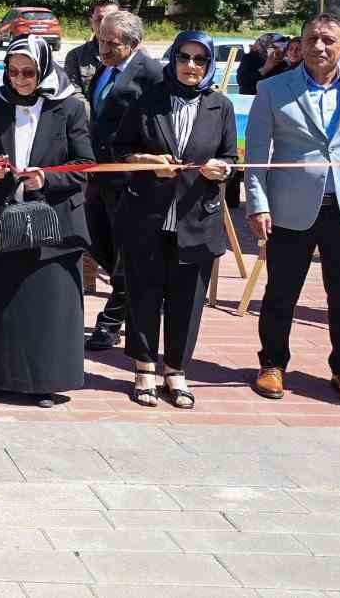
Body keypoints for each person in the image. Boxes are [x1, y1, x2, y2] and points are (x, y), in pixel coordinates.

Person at [247, 13, 340, 408]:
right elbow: (257, 154)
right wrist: (257, 204)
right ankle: (272, 364)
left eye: (329, 40)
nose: (320, 46)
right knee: (281, 293)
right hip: (290, 209)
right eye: (312, 38)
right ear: (299, 44)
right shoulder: (272, 89)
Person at [112, 31, 238, 410]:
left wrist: (222, 170)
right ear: (172, 58)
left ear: (209, 64)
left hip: (197, 219)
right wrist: (145, 162)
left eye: (200, 60)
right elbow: (119, 150)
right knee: (143, 295)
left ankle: (177, 370)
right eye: (184, 57)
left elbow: (231, 158)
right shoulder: (147, 100)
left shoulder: (221, 105)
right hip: (147, 216)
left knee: (188, 300)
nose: (191, 66)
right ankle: (144, 368)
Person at [0, 37, 93, 408]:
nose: (20, 79)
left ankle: (44, 383)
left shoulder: (68, 107)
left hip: (52, 223)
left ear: (42, 69)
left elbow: (84, 165)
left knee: (45, 308)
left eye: (28, 72)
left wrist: (47, 178)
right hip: (2, 218)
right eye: (13, 71)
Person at [82, 9, 164, 352]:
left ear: (134, 44)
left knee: (126, 254)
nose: (103, 48)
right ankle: (135, 307)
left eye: (111, 43)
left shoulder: (153, 74)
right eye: (100, 40)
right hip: (101, 177)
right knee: (99, 242)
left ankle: (112, 321)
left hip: (133, 179)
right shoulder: (103, 69)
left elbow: (161, 125)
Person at [63, 0, 119, 95]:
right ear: (91, 22)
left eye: (111, 19)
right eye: (99, 19)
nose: (104, 24)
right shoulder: (75, 56)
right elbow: (74, 95)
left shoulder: (135, 54)